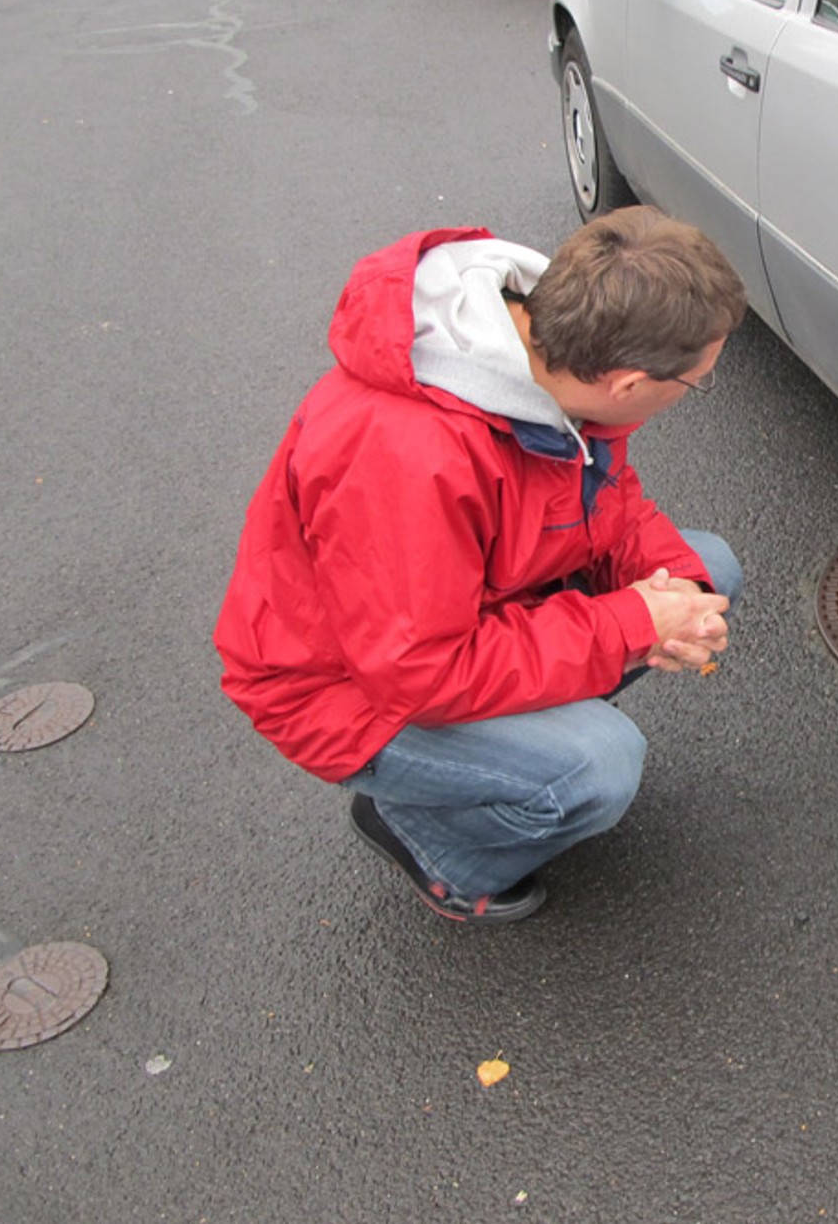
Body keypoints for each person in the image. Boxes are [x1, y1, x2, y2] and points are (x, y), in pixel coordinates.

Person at [214, 206, 746, 924]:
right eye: (696, 380)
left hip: (459, 617)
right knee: (599, 764)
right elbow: (420, 673)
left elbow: (606, 501)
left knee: (709, 570)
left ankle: (513, 753)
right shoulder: (407, 457)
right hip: (343, 688)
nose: (695, 391)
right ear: (625, 383)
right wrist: (629, 625)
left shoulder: (549, 351)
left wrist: (673, 585)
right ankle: (432, 843)